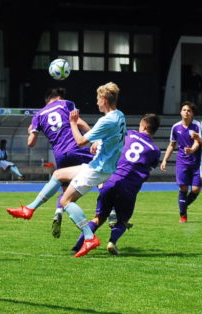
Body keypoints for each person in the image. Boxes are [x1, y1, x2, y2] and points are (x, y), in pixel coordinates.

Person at [7, 82, 127, 257]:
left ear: (104, 100)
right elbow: (116, 137)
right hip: (100, 166)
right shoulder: (119, 115)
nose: (96, 102)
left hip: (97, 169)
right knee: (58, 174)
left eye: (97, 99)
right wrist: (99, 142)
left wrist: (72, 123)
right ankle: (29, 209)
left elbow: (80, 141)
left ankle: (89, 237)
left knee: (65, 201)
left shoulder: (105, 120)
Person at [71, 113, 162, 256]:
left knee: (99, 217)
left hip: (111, 179)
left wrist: (97, 142)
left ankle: (77, 246)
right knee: (123, 220)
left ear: (144, 126)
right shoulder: (155, 151)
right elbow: (148, 169)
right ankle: (112, 242)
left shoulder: (128, 134)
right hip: (129, 186)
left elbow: (111, 139)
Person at [27, 87, 92, 238]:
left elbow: (31, 143)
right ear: (58, 97)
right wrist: (94, 138)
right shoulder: (65, 104)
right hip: (76, 148)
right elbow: (79, 123)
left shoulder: (38, 115)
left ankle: (58, 212)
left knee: (66, 191)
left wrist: (31, 132)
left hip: (60, 155)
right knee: (101, 171)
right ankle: (112, 212)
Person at [160, 101, 202, 223]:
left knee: (195, 189)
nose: (186, 112)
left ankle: (184, 205)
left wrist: (192, 150)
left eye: (189, 110)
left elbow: (198, 142)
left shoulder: (197, 126)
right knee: (183, 188)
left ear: (192, 113)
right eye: (184, 110)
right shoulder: (175, 127)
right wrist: (164, 160)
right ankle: (183, 215)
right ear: (180, 112)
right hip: (182, 162)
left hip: (196, 162)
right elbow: (171, 145)